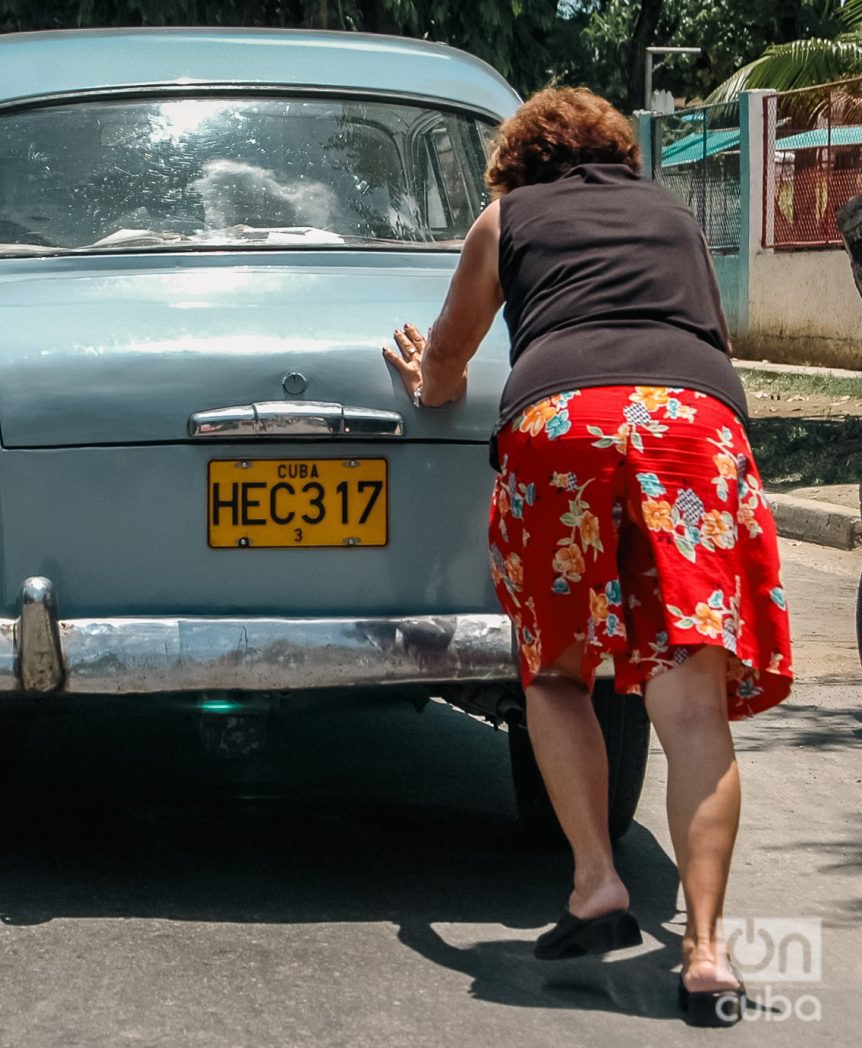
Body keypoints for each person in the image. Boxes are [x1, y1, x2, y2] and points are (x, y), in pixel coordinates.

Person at [383, 88, 791, 1027]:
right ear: (617, 152)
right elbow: (706, 340)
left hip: (563, 420)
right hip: (691, 425)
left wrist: (419, 374)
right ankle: (707, 954)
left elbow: (444, 370)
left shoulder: (508, 217)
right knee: (691, 702)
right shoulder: (676, 218)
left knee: (558, 670)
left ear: (516, 162)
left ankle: (597, 884)